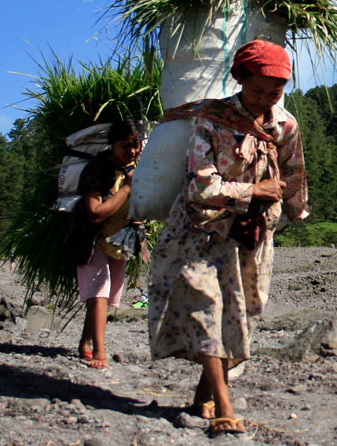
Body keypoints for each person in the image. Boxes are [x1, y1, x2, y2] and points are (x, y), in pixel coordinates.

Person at [148, 39, 308, 437]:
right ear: (240, 80)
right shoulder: (212, 120)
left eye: (274, 92)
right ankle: (224, 407)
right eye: (257, 91)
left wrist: (288, 213)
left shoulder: (286, 126)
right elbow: (199, 186)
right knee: (206, 310)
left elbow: (293, 176)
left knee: (239, 316)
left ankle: (203, 396)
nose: (264, 99)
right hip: (199, 233)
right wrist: (252, 191)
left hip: (248, 238)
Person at [76, 117, 145, 369]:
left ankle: (85, 342)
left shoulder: (137, 168)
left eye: (136, 145)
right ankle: (99, 352)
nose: (132, 151)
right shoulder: (96, 170)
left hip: (122, 239)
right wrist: (126, 189)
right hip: (93, 239)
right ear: (112, 143)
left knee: (104, 297)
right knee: (99, 293)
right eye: (126, 145)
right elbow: (94, 212)